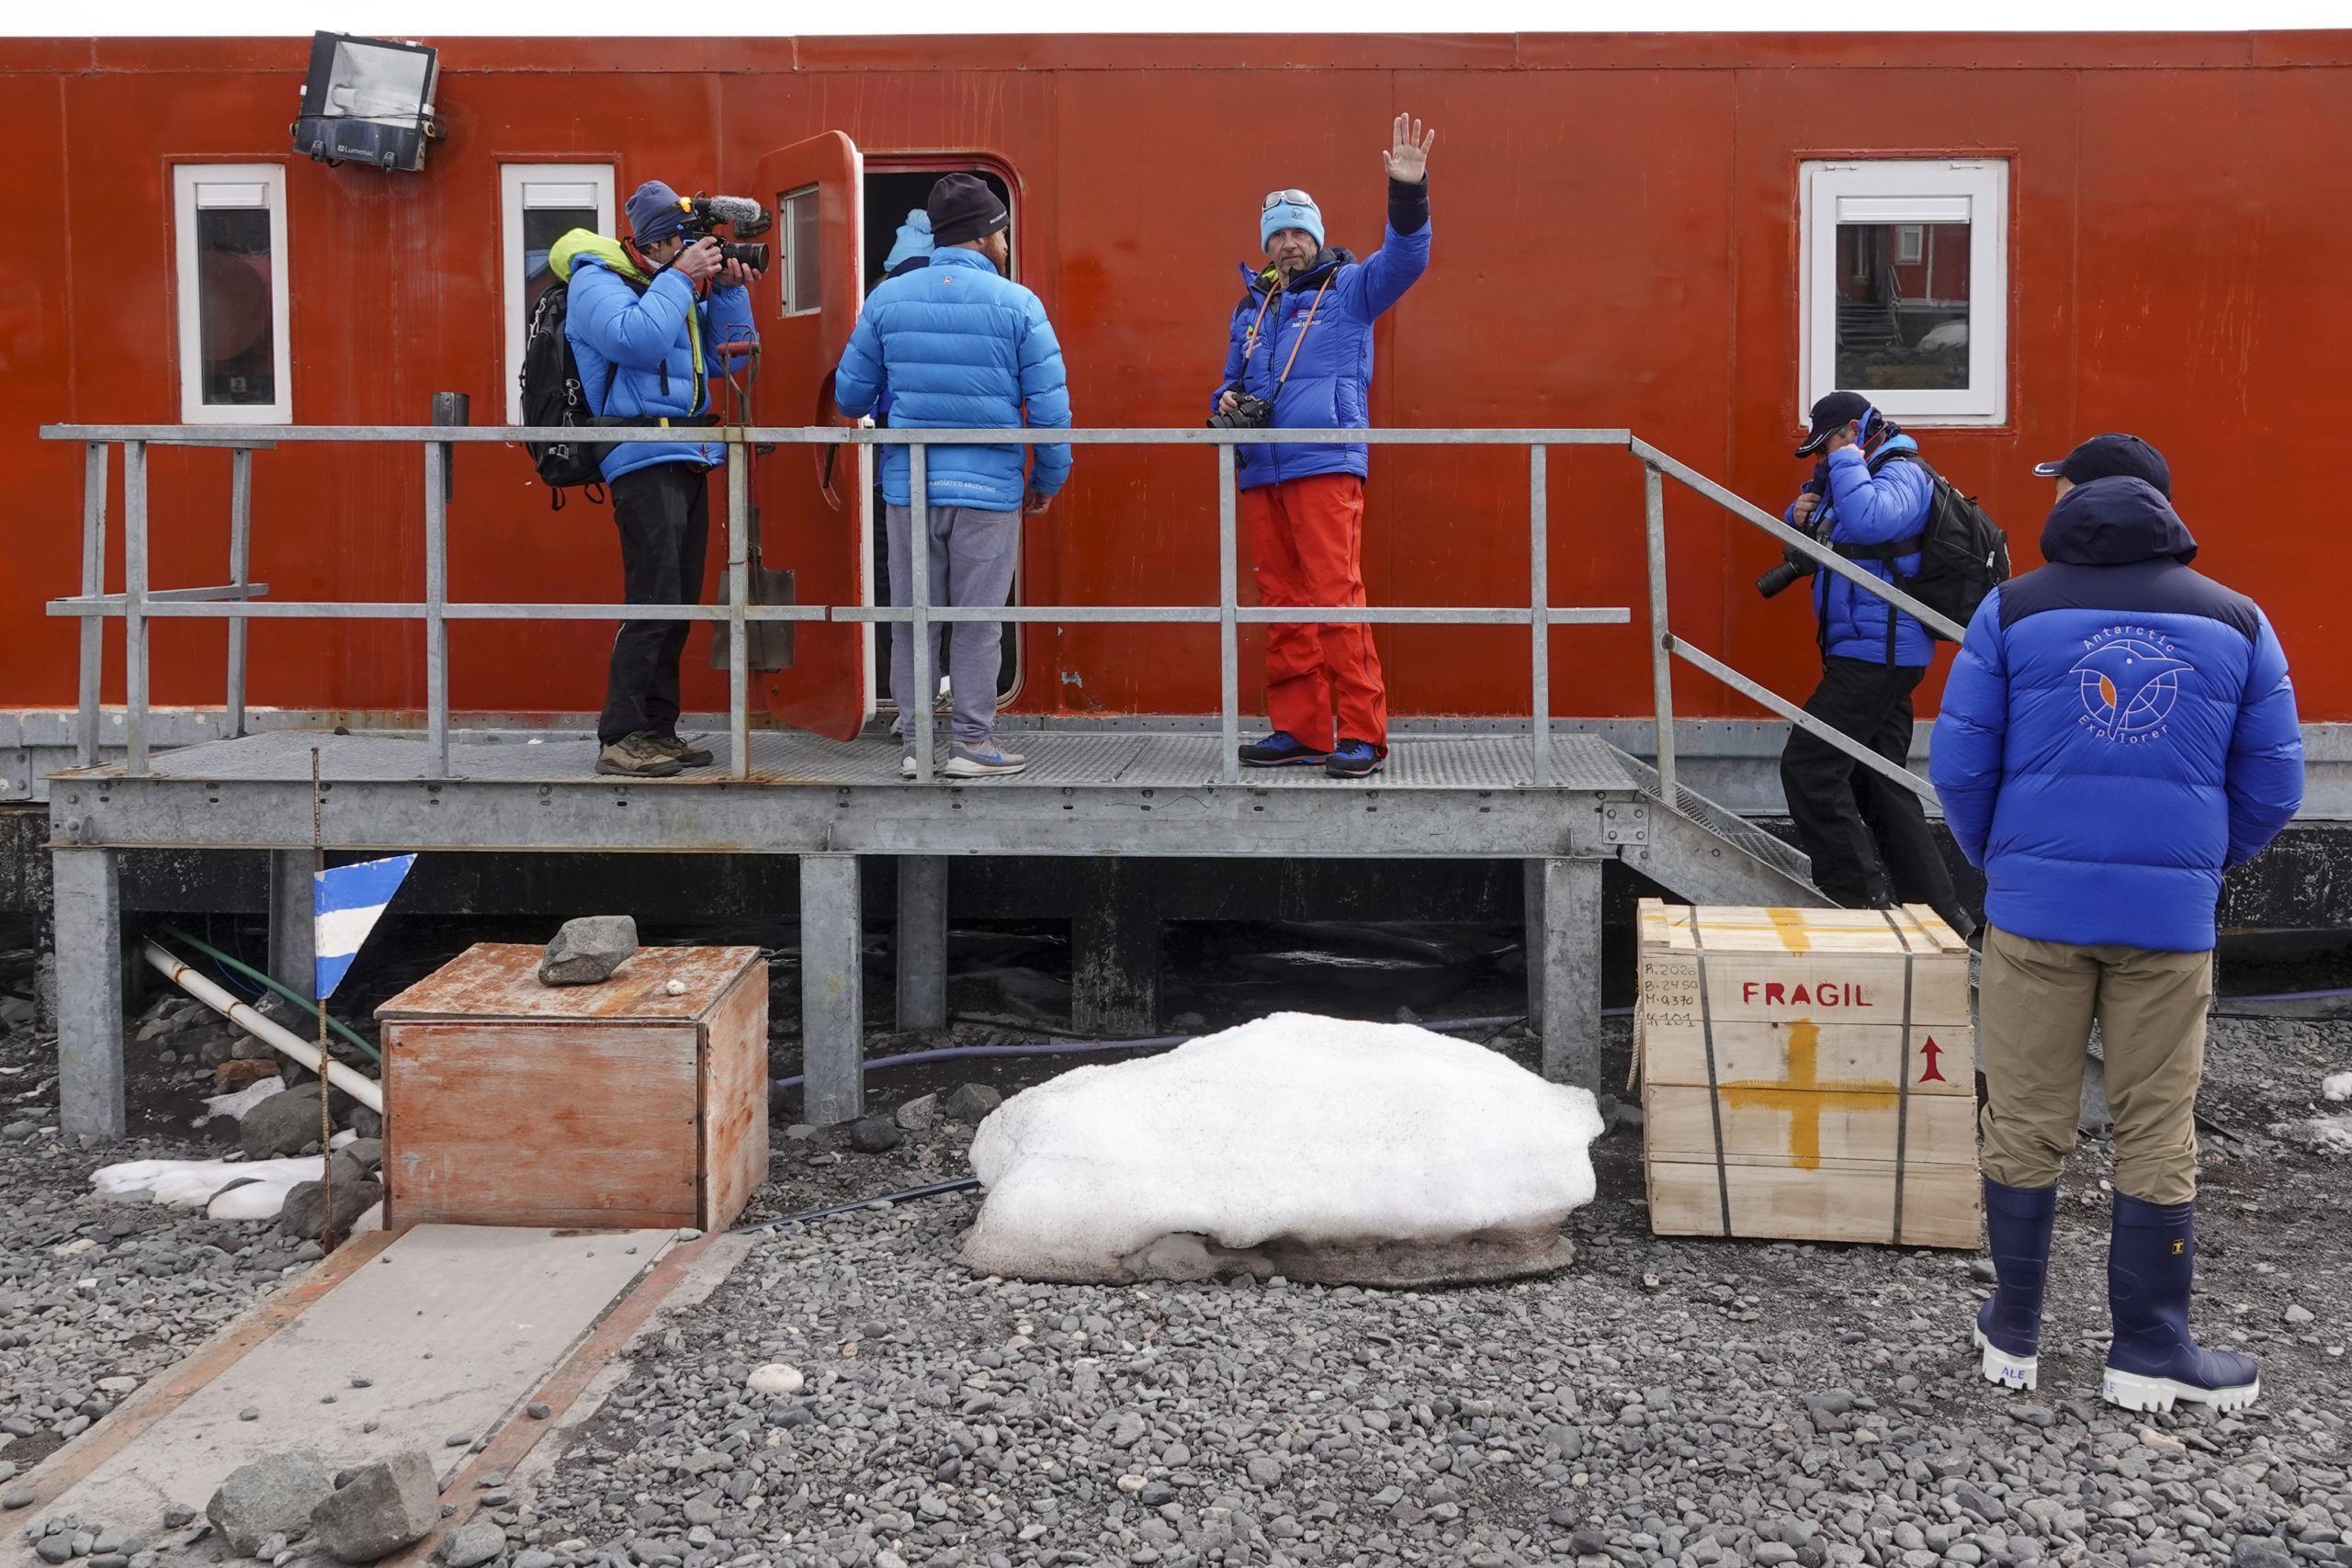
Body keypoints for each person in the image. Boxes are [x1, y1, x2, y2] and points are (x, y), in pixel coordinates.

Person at [1930, 434, 2303, 1411]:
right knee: (2156, 1122)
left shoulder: (2010, 610)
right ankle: (2147, 1346)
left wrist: (2005, 861)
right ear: (2166, 512)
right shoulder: (2237, 618)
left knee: (2023, 1117)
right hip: (2167, 925)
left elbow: (1959, 766)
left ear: (2072, 504)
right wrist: (2197, 865)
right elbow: (2275, 783)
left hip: (2034, 916)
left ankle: (2013, 1330)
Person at [1219, 114, 1436, 781]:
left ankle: (1363, 734)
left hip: (1324, 464)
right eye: (1277, 235)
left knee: (1336, 598)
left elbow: (1406, 260)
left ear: (1316, 237)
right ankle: (1303, 730)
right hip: (1262, 471)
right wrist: (1223, 402)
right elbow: (1231, 381)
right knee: (1283, 604)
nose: (1288, 245)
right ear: (1266, 243)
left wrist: (1408, 190)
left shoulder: (1349, 291)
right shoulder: (1252, 308)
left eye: (1298, 233)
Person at [834, 175, 1071, 779]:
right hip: (990, 491)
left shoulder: (886, 299)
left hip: (910, 489)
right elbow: (1050, 413)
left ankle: (917, 747)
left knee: (915, 618)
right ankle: (971, 743)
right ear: (985, 236)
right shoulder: (1018, 304)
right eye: (1003, 232)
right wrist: (1047, 479)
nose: (1007, 243)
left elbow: (851, 395)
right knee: (977, 621)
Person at [559, 179, 760, 779]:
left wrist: (727, 290)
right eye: (684, 243)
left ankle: (658, 730)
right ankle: (620, 736)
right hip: (639, 454)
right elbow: (636, 342)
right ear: (657, 243)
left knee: (678, 601)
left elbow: (735, 354)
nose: (694, 252)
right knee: (653, 597)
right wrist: (682, 278)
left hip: (688, 451)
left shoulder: (672, 284)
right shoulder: (597, 280)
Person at [1774, 390, 1967, 928]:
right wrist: (1798, 513)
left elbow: (1870, 523)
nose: (1822, 457)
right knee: (1879, 780)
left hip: (1880, 653)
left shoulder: (1903, 472)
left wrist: (1843, 458)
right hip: (1862, 649)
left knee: (1810, 765)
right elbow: (1827, 540)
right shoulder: (1856, 474)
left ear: (1854, 431)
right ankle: (1940, 914)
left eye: (1827, 444)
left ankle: (1859, 899)